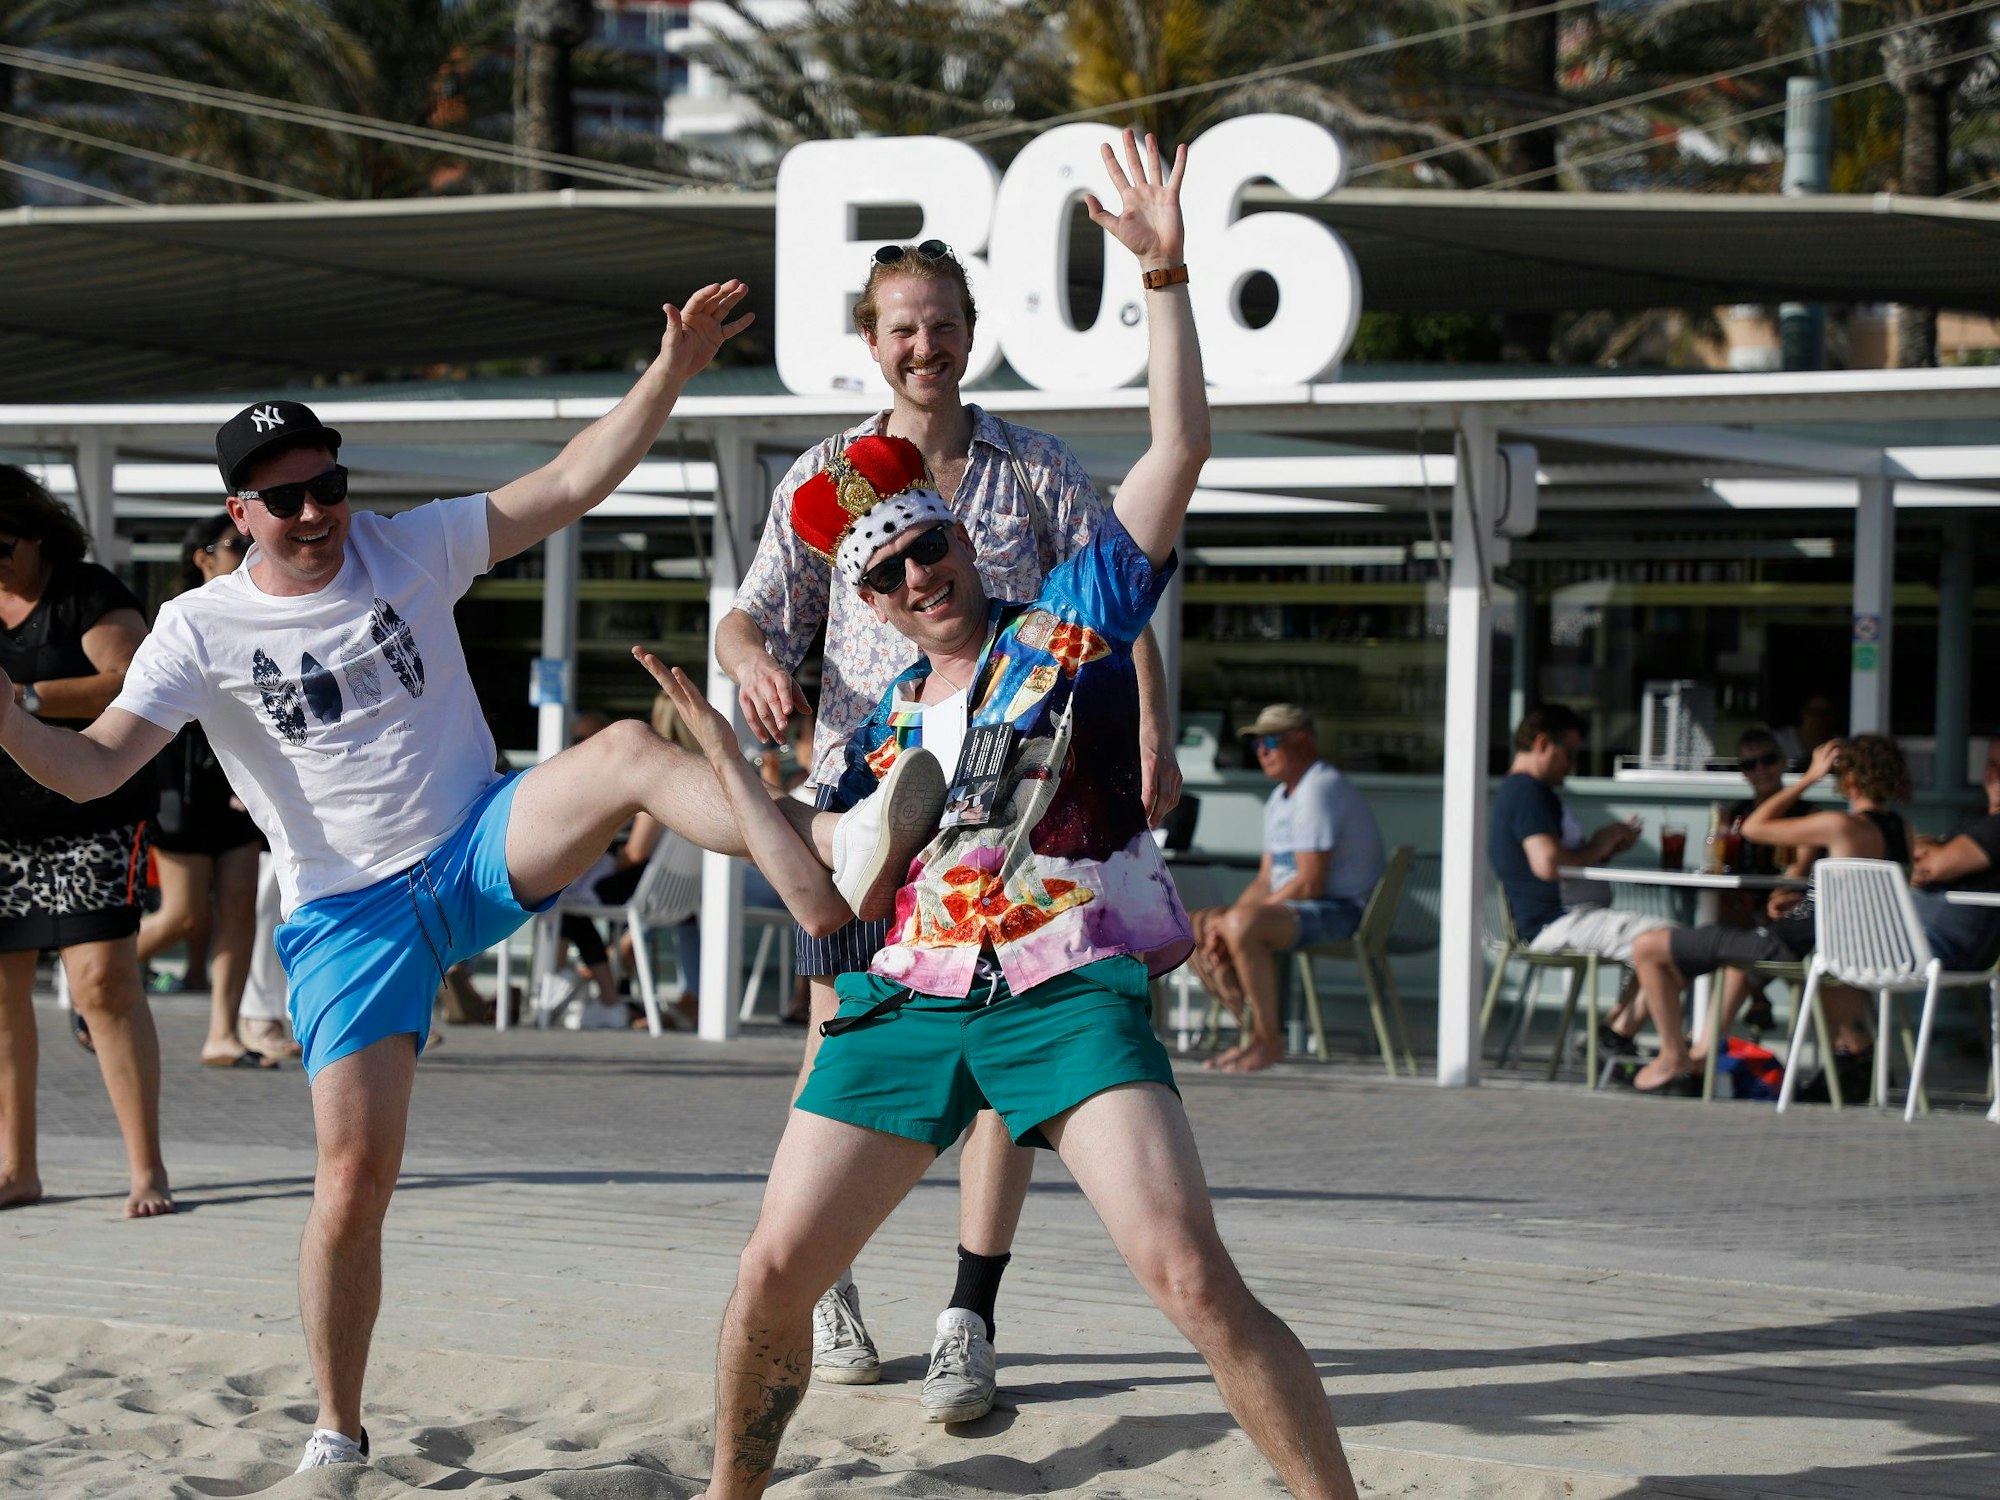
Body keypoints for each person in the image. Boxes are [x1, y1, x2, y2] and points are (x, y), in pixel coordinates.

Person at [0, 282, 943, 1471]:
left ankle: (834, 838)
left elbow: (573, 480)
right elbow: (92, 768)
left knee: (626, 751)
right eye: (285, 500)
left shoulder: (407, 545)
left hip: (479, 839)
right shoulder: (197, 628)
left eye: (329, 486)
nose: (315, 514)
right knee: (352, 1182)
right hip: (349, 918)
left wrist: (671, 369)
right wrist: (9, 719)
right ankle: (337, 1432)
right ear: (240, 513)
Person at [670, 131, 1358, 1500]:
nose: (915, 577)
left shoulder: (1068, 626)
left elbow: (1180, 446)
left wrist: (1162, 271)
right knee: (769, 1274)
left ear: (961, 540)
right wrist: (719, 763)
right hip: (910, 990)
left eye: (928, 546)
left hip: (1061, 985)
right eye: (884, 573)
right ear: (865, 606)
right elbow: (818, 895)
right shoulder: (877, 741)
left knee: (1189, 1276)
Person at [714, 193, 1179, 1406]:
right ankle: (823, 1282)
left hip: (1011, 818)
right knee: (839, 1035)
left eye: (941, 324)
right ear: (870, 341)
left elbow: (1113, 612)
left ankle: (969, 1310)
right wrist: (753, 666)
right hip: (867, 801)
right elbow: (748, 615)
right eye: (900, 329)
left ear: (970, 331)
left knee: (998, 1064)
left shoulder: (1033, 468)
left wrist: (1151, 737)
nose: (922, 346)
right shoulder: (823, 476)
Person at [0, 466, 174, 1217]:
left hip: (92, 814)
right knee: (1, 995)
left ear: (36, 534)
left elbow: (133, 675)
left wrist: (23, 700)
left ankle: (147, 1170)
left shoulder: (86, 592)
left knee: (102, 983)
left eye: (2, 544)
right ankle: (16, 1169)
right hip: (2, 823)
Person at [1636, 734, 1913, 1099]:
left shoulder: (1842, 826)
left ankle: (1676, 1060)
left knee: (1647, 947)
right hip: (1854, 948)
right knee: (1740, 957)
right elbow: (1855, 896)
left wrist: (1807, 778)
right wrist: (1802, 900)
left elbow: (1753, 827)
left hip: (1795, 945)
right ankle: (1701, 1056)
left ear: (1850, 778)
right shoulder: (1902, 830)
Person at [1489, 703, 1696, 1094]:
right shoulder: (1528, 791)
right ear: (1542, 744)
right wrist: (1598, 846)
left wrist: (1604, 848)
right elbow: (1548, 863)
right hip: (1558, 921)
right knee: (1676, 943)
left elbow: (1558, 860)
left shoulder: (1528, 792)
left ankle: (1613, 1037)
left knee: (1672, 945)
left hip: (1567, 916)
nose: (1574, 764)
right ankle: (1648, 1050)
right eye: (1570, 752)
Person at [136, 514, 274, 1068]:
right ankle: (94, 971)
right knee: (185, 915)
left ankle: (223, 1033)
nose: (248, 551)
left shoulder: (261, 610)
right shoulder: (177, 619)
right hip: (182, 786)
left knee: (239, 909)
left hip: (238, 783)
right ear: (202, 558)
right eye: (237, 544)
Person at [1187, 703, 1385, 1073]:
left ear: (1303, 741)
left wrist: (1237, 920)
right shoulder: (1282, 796)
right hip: (1301, 906)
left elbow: (1310, 882)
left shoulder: (1319, 788)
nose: (1262, 752)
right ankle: (1250, 1033)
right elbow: (1266, 879)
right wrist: (1227, 920)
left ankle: (1268, 1041)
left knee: (1241, 926)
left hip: (1341, 910)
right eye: (1257, 744)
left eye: (1272, 741)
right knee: (1195, 927)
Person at [1911, 739, 2000, 974]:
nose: (1996, 775)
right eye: (1992, 765)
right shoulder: (1977, 819)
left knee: (1847, 946)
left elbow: (1930, 866)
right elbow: (1918, 851)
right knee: (1839, 945)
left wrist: (1928, 853)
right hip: (1919, 933)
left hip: (1948, 944)